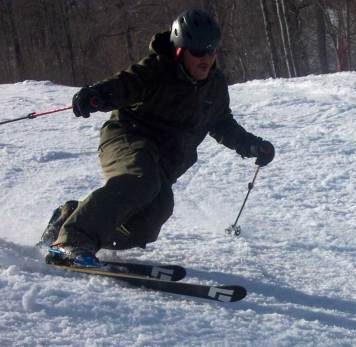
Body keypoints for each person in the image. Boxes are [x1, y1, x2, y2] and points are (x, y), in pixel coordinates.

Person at [40, 9, 275, 267]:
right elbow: (125, 85)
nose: (206, 59)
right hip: (126, 138)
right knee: (142, 179)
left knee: (152, 218)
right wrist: (95, 96)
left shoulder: (215, 85)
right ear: (179, 50)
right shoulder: (157, 70)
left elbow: (221, 122)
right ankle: (71, 241)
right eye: (197, 52)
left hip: (163, 160)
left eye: (211, 51)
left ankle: (70, 218)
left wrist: (251, 145)